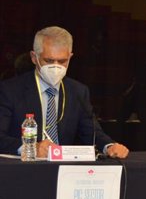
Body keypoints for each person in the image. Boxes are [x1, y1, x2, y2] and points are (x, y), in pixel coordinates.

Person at [0, 26, 130, 158]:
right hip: (24, 169)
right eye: (49, 60)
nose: (56, 66)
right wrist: (30, 148)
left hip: (64, 169)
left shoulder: (78, 91)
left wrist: (109, 146)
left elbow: (91, 132)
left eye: (62, 61)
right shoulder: (10, 90)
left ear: (70, 57)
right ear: (34, 57)